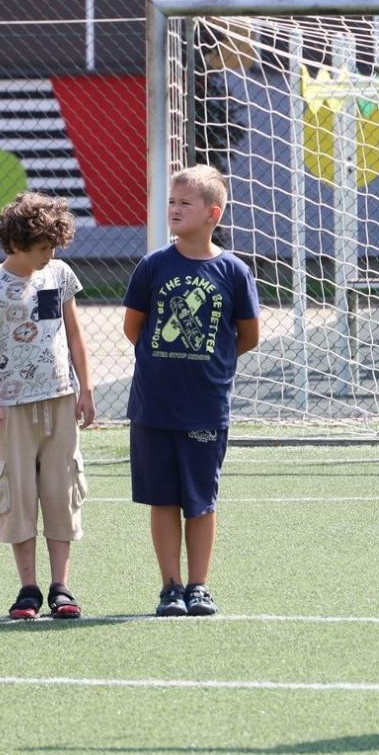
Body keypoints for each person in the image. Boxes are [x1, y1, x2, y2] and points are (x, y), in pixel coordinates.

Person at [122, 165, 260, 617]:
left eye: (185, 203)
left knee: (200, 500)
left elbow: (247, 335)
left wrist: (209, 364)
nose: (175, 209)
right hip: (154, 405)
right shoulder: (153, 266)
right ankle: (171, 587)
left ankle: (199, 586)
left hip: (205, 407)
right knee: (162, 498)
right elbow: (133, 328)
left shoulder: (233, 271)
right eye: (172, 202)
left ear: (212, 214)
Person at [0, 193, 96, 620]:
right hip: (13, 408)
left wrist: (85, 389)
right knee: (18, 495)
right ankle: (28, 589)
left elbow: (74, 335)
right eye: (42, 247)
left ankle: (61, 586)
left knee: (61, 492)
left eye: (53, 246)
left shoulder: (59, 275)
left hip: (60, 400)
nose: (49, 255)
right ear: (16, 243)